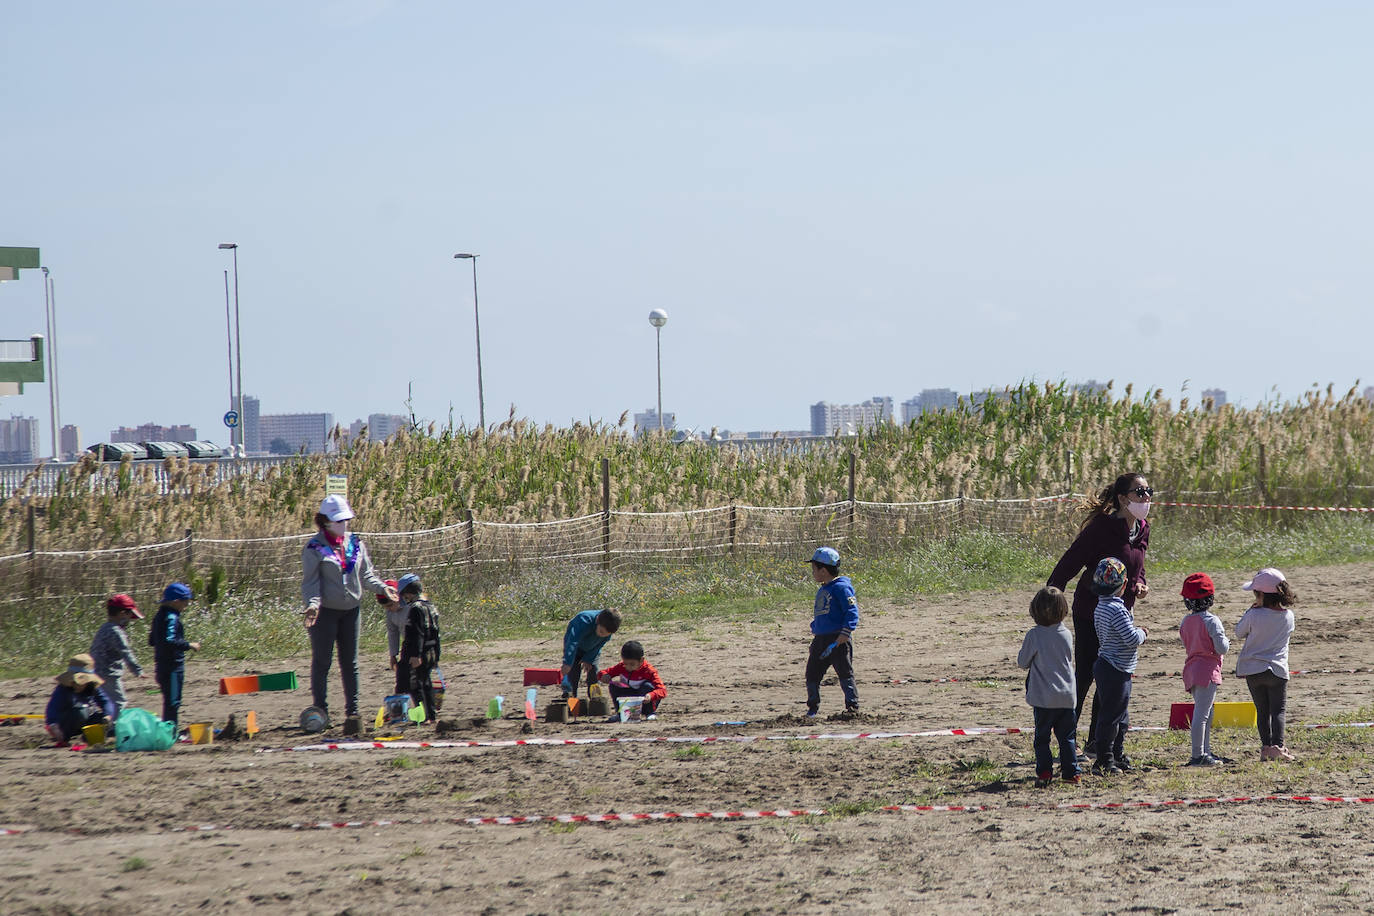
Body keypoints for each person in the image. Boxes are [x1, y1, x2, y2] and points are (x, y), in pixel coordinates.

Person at [1047, 472, 1153, 755]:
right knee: (1084, 676)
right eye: (1139, 492)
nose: (1146, 498)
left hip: (1121, 613)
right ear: (1122, 498)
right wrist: (1052, 594)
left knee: (1112, 675)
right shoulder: (1100, 528)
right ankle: (1066, 742)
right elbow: (1070, 560)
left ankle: (1097, 742)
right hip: (1090, 611)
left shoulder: (1142, 528)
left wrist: (1140, 583)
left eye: (1148, 491)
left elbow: (1137, 564)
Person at [301, 494, 397, 737]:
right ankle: (321, 710)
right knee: (322, 662)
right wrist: (312, 605)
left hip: (351, 611)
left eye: (345, 520)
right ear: (325, 522)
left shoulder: (356, 544)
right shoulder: (314, 548)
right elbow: (310, 583)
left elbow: (367, 575)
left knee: (350, 663)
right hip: (324, 615)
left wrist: (383, 588)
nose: (344, 525)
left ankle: (352, 713)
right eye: (338, 521)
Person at [1016, 586, 1080, 786]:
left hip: (1044, 698)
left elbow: (1022, 662)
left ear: (1035, 610)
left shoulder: (1034, 635)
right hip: (1067, 696)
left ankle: (1044, 772)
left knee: (1042, 738)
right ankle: (1071, 772)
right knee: (1067, 738)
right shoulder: (1067, 634)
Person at [1090, 557, 1148, 776]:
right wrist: (1143, 632)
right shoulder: (1117, 610)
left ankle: (1116, 754)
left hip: (1111, 666)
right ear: (1123, 586)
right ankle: (1104, 760)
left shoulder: (1101, 606)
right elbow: (1131, 638)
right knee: (1112, 716)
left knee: (1120, 715)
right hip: (1116, 669)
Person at [1235, 567, 1297, 762]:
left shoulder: (1253, 615)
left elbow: (1239, 632)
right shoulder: (1288, 616)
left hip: (1253, 670)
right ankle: (1278, 746)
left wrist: (1249, 611)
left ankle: (1265, 748)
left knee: (1262, 710)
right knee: (1278, 710)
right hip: (1277, 669)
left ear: (1260, 594)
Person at [1179, 573, 1230, 767]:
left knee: (1206, 713)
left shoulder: (1186, 621)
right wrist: (1227, 642)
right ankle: (1198, 754)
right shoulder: (1212, 621)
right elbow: (1221, 648)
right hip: (1207, 671)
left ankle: (1205, 751)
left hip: (1191, 669)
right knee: (1201, 715)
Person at [804, 546, 860, 718]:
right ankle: (812, 707)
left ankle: (852, 706)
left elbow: (852, 611)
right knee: (812, 673)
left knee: (844, 672)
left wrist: (845, 632)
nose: (812, 572)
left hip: (838, 639)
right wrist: (816, 627)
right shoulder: (823, 589)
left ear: (823, 570)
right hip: (821, 639)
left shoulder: (841, 588)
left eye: (814, 569)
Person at [149, 582, 200, 728]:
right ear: (176, 601)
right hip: (172, 666)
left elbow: (152, 641)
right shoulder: (171, 617)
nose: (186, 606)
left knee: (169, 699)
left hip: (161, 665)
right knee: (173, 701)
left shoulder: (159, 616)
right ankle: (171, 731)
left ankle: (169, 729)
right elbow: (169, 640)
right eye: (185, 602)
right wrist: (188, 645)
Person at [89, 593, 146, 720]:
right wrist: (137, 670)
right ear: (121, 613)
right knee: (119, 702)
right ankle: (115, 728)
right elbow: (125, 651)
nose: (130, 619)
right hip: (108, 673)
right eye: (129, 615)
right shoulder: (116, 631)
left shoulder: (104, 628)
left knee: (108, 702)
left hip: (96, 671)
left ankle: (106, 723)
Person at [396, 573, 441, 724]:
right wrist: (437, 655)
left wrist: (416, 655)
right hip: (431, 652)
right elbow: (436, 633)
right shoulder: (431, 606)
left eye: (404, 595)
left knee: (416, 685)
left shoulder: (415, 609)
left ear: (408, 593)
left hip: (418, 654)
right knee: (427, 682)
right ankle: (432, 715)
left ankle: (423, 716)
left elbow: (417, 634)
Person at [44, 654, 116, 745]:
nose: (79, 685)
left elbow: (105, 701)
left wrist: (108, 715)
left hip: (87, 719)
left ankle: (89, 739)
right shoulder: (62, 689)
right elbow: (52, 708)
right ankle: (65, 738)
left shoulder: (93, 687)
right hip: (66, 723)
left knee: (104, 720)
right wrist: (53, 725)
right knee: (80, 711)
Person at [598, 640, 668, 721]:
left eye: (632, 664)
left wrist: (651, 695)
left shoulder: (649, 671)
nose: (628, 667)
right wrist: (604, 676)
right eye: (625, 663)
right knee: (614, 685)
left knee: (647, 686)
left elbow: (662, 690)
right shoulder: (622, 667)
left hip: (644, 700)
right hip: (629, 699)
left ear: (641, 660)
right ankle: (621, 713)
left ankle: (650, 713)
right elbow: (602, 673)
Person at [561, 609, 622, 697]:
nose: (602, 635)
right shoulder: (584, 620)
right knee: (573, 676)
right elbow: (572, 642)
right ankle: (570, 698)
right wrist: (567, 662)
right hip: (575, 649)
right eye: (601, 631)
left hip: (593, 649)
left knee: (593, 675)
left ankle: (595, 700)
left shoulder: (608, 628)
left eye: (606, 634)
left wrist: (588, 659)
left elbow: (599, 645)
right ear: (597, 620)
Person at [377, 579, 407, 694]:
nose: (389, 609)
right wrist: (393, 655)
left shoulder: (411, 608)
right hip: (407, 646)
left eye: (390, 605)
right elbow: (393, 633)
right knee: (402, 676)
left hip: (419, 645)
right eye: (385, 607)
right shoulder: (390, 614)